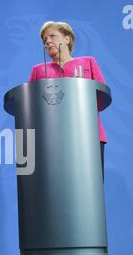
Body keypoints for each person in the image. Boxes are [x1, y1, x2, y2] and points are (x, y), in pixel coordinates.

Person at [29, 21, 107, 177]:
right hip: (52, 138)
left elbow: (101, 95)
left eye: (52, 36)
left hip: (88, 133)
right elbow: (30, 104)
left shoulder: (88, 62)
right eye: (45, 40)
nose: (48, 41)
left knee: (90, 184)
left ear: (67, 39)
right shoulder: (38, 70)